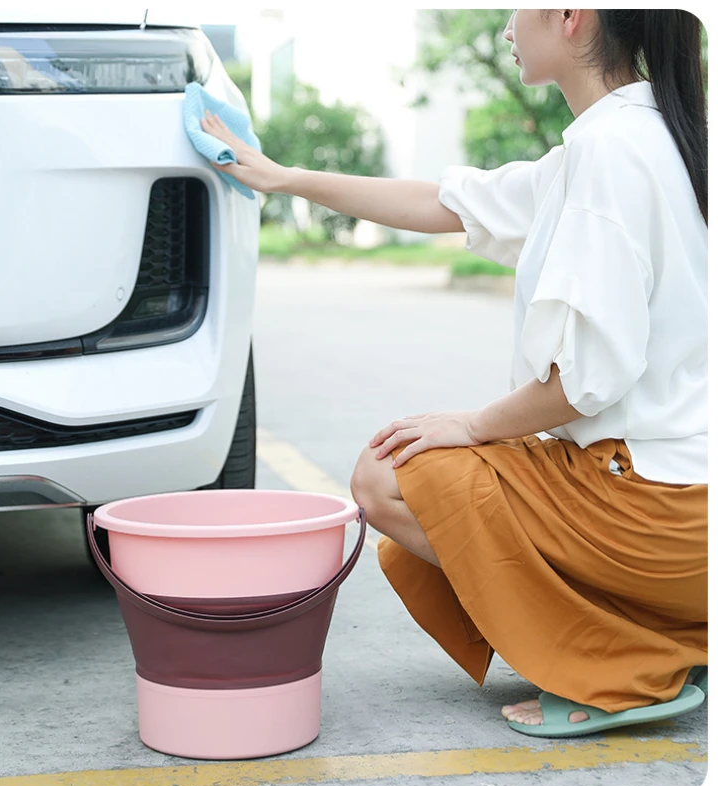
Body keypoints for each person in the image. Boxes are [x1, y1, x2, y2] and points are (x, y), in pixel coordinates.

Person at [200, 8, 707, 737]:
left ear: (570, 16)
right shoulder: (647, 134)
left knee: (388, 475)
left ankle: (625, 663)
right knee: (435, 469)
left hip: (651, 509)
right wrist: (286, 179)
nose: (506, 25)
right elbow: (445, 202)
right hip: (684, 515)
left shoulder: (612, 151)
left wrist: (471, 425)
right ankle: (668, 632)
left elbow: (586, 380)